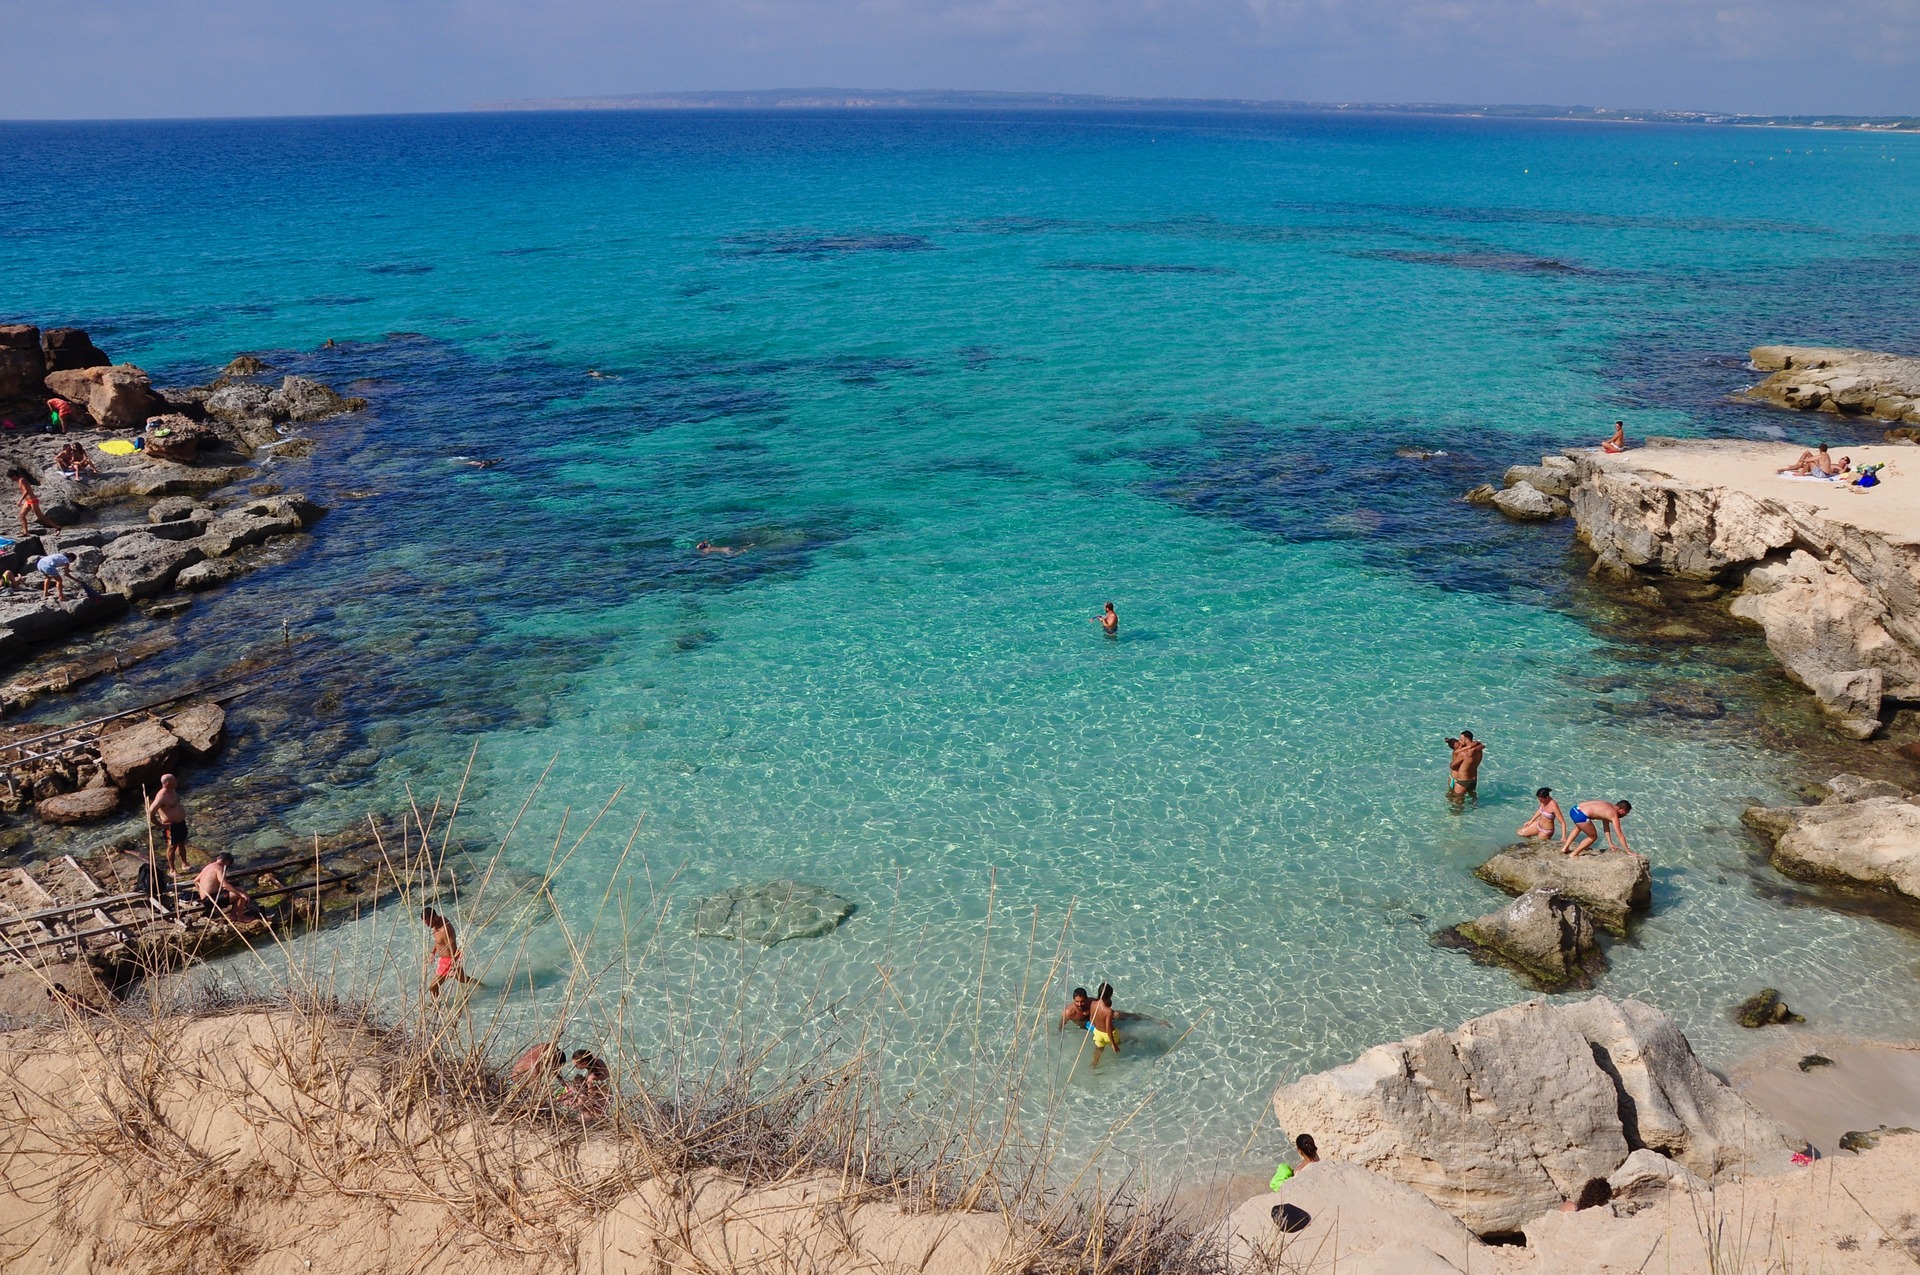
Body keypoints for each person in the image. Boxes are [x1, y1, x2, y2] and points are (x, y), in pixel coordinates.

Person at [423, 906, 479, 997]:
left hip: (450, 959)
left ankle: (437, 1008)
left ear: (434, 917)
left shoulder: (445, 929)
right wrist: (432, 952)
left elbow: (453, 948)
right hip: (443, 959)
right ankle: (481, 986)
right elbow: (439, 941)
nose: (427, 925)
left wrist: (453, 965)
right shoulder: (436, 923)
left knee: (433, 987)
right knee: (463, 979)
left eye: (428, 922)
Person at [146, 773, 193, 873]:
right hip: (171, 826)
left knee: (182, 843)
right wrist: (159, 825)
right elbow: (151, 812)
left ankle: (184, 864)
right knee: (172, 847)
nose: (176, 781)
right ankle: (172, 869)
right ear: (167, 783)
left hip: (181, 823)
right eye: (174, 780)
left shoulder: (173, 790)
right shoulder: (161, 796)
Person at [1561, 799, 1636, 858]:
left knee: (1579, 827)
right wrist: (1628, 851)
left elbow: (1606, 827)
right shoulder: (1614, 815)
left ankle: (1565, 848)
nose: (1625, 815)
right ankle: (1574, 854)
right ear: (1622, 810)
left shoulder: (1608, 806)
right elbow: (1620, 835)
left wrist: (1610, 843)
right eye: (1626, 813)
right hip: (1581, 815)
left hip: (1575, 809)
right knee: (1593, 836)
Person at [195, 852, 254, 919]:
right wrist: (240, 893)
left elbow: (195, 881)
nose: (228, 865)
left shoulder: (208, 866)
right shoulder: (219, 868)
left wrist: (201, 894)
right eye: (228, 863)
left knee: (240, 889)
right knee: (242, 895)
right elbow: (224, 884)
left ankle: (233, 915)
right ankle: (241, 917)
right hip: (211, 900)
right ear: (227, 861)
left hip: (206, 899)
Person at [7, 468, 55, 536]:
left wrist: (20, 500)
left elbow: (26, 491)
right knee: (22, 516)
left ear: (14, 475)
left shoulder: (22, 480)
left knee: (40, 516)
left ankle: (57, 527)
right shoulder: (20, 480)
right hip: (28, 501)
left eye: (11, 477)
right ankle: (25, 532)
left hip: (33, 501)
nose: (11, 479)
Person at [1088, 983, 1120, 1069]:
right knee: (1122, 1042)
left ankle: (1093, 1066)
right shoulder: (1108, 1011)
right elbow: (1108, 1028)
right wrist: (1113, 1044)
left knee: (1099, 1050)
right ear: (1109, 995)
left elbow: (1091, 1019)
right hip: (1109, 1034)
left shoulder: (1093, 1004)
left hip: (1097, 1033)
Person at [1447, 731, 1485, 800]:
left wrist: (1452, 764)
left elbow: (1453, 766)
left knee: (1456, 806)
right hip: (1473, 780)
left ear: (1466, 739)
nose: (1460, 742)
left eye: (1461, 740)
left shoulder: (1463, 753)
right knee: (1473, 803)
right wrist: (1473, 749)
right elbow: (1480, 744)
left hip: (1462, 781)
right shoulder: (1479, 750)